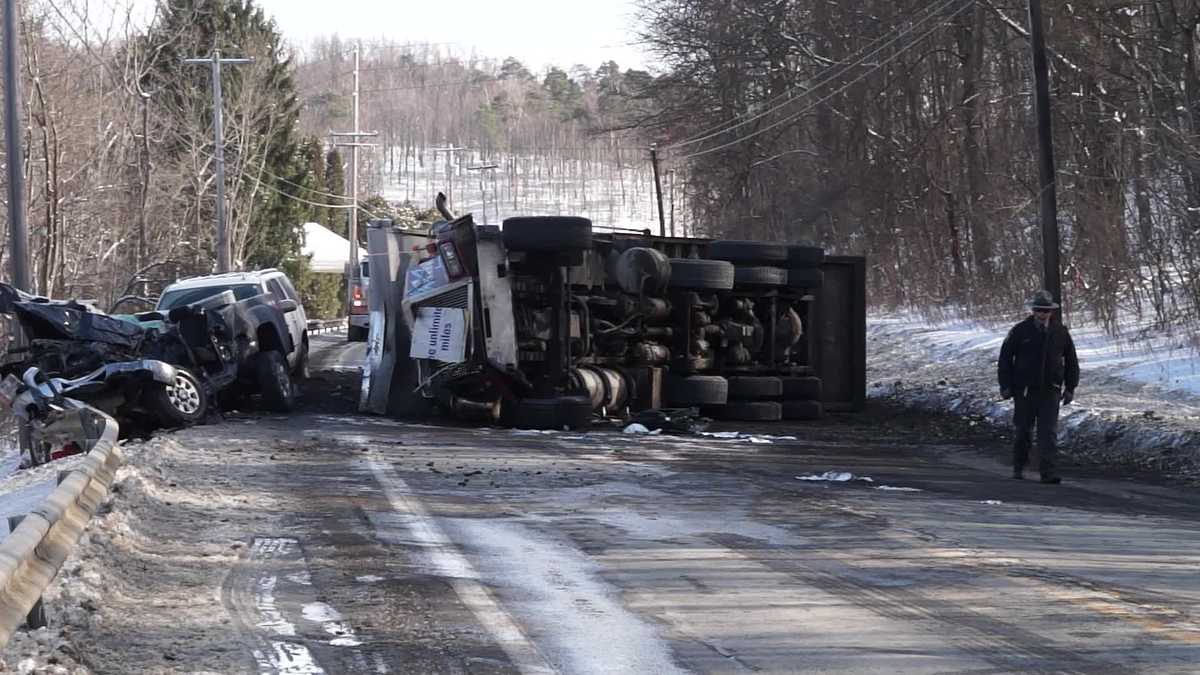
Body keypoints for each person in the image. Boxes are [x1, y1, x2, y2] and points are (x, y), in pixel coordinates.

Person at [997, 289, 1080, 484]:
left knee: (1048, 433)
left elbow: (1071, 361)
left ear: (1051, 312)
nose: (1042, 314)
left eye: (1046, 311)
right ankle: (1019, 467)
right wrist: (1006, 385)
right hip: (1024, 390)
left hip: (1050, 390)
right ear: (1033, 311)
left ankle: (1048, 472)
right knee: (1023, 430)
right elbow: (1005, 359)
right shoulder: (1020, 331)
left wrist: (1070, 387)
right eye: (1039, 310)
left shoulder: (1060, 332)